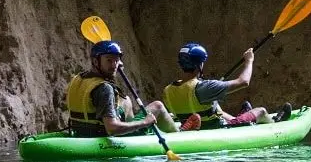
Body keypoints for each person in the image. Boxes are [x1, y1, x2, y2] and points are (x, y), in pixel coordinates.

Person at [66, 40, 189, 137]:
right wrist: (144, 122)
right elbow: (112, 129)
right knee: (158, 106)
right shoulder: (104, 89)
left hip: (80, 132)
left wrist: (112, 62)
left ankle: (154, 128)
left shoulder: (79, 78)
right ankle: (179, 134)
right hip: (104, 135)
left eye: (116, 60)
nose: (114, 65)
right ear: (95, 61)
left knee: (125, 100)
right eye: (109, 60)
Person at [163, 42, 292, 129]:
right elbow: (244, 81)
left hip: (194, 129)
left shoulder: (168, 91)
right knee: (261, 111)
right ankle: (276, 123)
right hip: (220, 129)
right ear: (199, 65)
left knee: (216, 109)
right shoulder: (205, 87)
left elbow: (197, 110)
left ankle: (243, 116)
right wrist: (249, 60)